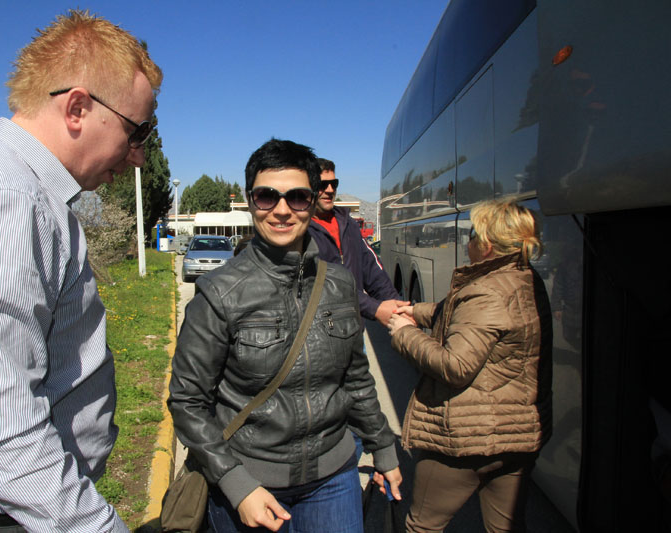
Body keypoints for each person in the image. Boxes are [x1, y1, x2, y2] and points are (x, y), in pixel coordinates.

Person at [0, 10, 162, 532]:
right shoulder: (7, 201)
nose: (137, 157)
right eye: (137, 131)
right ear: (78, 108)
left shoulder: (13, 192)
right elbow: (0, 432)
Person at [168, 139, 402, 533]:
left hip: (333, 478)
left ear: (312, 202)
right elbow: (188, 400)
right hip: (250, 482)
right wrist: (236, 484)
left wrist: (383, 448)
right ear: (250, 200)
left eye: (297, 197)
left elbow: (356, 381)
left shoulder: (340, 284)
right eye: (267, 196)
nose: (281, 210)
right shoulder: (218, 292)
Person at [384, 199, 553, 532]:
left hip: (467, 439)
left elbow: (455, 365)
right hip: (516, 437)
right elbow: (466, 317)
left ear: (486, 244)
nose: (469, 241)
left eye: (473, 234)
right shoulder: (522, 280)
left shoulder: (485, 292)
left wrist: (404, 333)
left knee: (423, 526)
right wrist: (416, 312)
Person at [307, 158, 405, 326]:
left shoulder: (349, 224)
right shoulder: (301, 231)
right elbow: (325, 285)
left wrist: (398, 307)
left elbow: (372, 270)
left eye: (334, 184)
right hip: (319, 334)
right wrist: (374, 309)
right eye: (323, 185)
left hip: (354, 331)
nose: (330, 190)